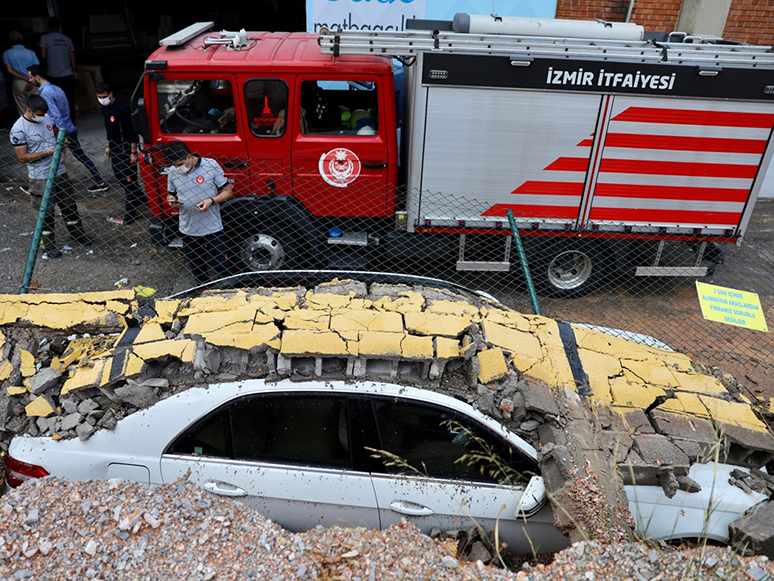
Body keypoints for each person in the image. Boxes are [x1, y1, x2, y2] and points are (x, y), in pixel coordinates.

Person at [10, 95, 93, 258]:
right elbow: (21, 157)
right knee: (45, 212)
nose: (42, 117)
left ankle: (77, 234)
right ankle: (48, 245)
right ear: (29, 111)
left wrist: (61, 148)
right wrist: (46, 153)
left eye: (43, 114)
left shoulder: (46, 118)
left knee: (69, 205)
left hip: (60, 172)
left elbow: (57, 134)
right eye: (39, 114)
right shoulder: (19, 129)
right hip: (40, 177)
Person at [28, 64, 107, 193]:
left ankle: (42, 186)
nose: (29, 80)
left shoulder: (46, 93)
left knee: (47, 158)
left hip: (60, 131)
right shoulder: (56, 88)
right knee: (80, 156)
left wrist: (60, 135)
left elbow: (55, 115)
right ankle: (99, 180)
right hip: (69, 127)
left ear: (37, 77)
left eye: (31, 77)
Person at [164, 141, 233, 285]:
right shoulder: (173, 171)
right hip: (188, 228)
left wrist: (211, 201)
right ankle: (203, 293)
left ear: (189, 157)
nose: (177, 168)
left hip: (212, 227)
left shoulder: (210, 165)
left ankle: (228, 290)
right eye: (174, 165)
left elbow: (228, 191)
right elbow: (170, 194)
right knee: (197, 267)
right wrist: (171, 200)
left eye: (179, 164)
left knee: (221, 264)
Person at [96, 82, 145, 225]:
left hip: (125, 150)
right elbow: (109, 129)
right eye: (99, 97)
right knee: (120, 177)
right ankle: (141, 199)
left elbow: (131, 131)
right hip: (115, 149)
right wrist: (107, 145)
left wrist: (133, 152)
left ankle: (130, 213)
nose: (102, 99)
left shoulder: (122, 109)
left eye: (104, 96)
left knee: (128, 180)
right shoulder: (105, 109)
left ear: (111, 94)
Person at [39, 16, 77, 119]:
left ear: (48, 26)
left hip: (53, 74)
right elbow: (72, 56)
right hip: (68, 73)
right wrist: (74, 71)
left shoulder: (45, 38)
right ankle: (71, 121)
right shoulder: (67, 39)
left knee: (54, 100)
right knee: (69, 99)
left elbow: (43, 55)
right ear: (59, 26)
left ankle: (58, 123)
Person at [3, 31, 40, 117]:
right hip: (34, 82)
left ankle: (27, 129)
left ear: (11, 40)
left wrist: (24, 78)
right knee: (37, 107)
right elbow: (37, 69)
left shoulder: (7, 53)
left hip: (19, 83)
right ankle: (39, 128)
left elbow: (9, 70)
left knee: (22, 108)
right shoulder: (31, 53)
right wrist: (31, 81)